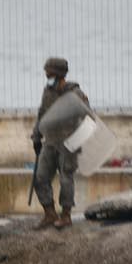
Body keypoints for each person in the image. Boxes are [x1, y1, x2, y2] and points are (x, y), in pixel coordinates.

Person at [32, 57, 90, 230]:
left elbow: (89, 121)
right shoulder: (47, 92)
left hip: (68, 144)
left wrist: (76, 143)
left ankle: (66, 215)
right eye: (46, 74)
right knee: (40, 177)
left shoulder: (76, 94)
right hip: (50, 141)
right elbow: (42, 114)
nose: (47, 78)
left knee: (66, 179)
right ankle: (50, 213)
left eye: (49, 74)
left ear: (59, 75)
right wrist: (36, 136)